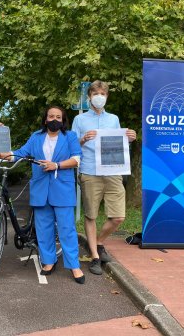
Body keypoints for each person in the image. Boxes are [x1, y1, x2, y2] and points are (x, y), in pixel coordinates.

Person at [0, 106, 85, 284]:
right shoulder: (36, 137)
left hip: (63, 190)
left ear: (63, 120)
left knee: (66, 229)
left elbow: (77, 159)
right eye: (51, 116)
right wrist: (1, 154)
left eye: (58, 117)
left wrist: (57, 165)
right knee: (44, 229)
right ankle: (48, 262)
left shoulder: (70, 137)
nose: (54, 119)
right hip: (40, 190)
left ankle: (74, 266)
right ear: (45, 119)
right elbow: (19, 154)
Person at [71, 80, 137, 275]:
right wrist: (82, 139)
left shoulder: (114, 119)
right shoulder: (80, 120)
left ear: (106, 96)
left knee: (118, 216)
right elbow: (72, 145)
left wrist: (130, 139)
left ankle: (99, 242)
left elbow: (118, 144)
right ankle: (95, 256)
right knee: (91, 214)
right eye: (95, 93)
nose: (99, 96)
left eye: (103, 93)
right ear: (89, 96)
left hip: (113, 170)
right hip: (90, 171)